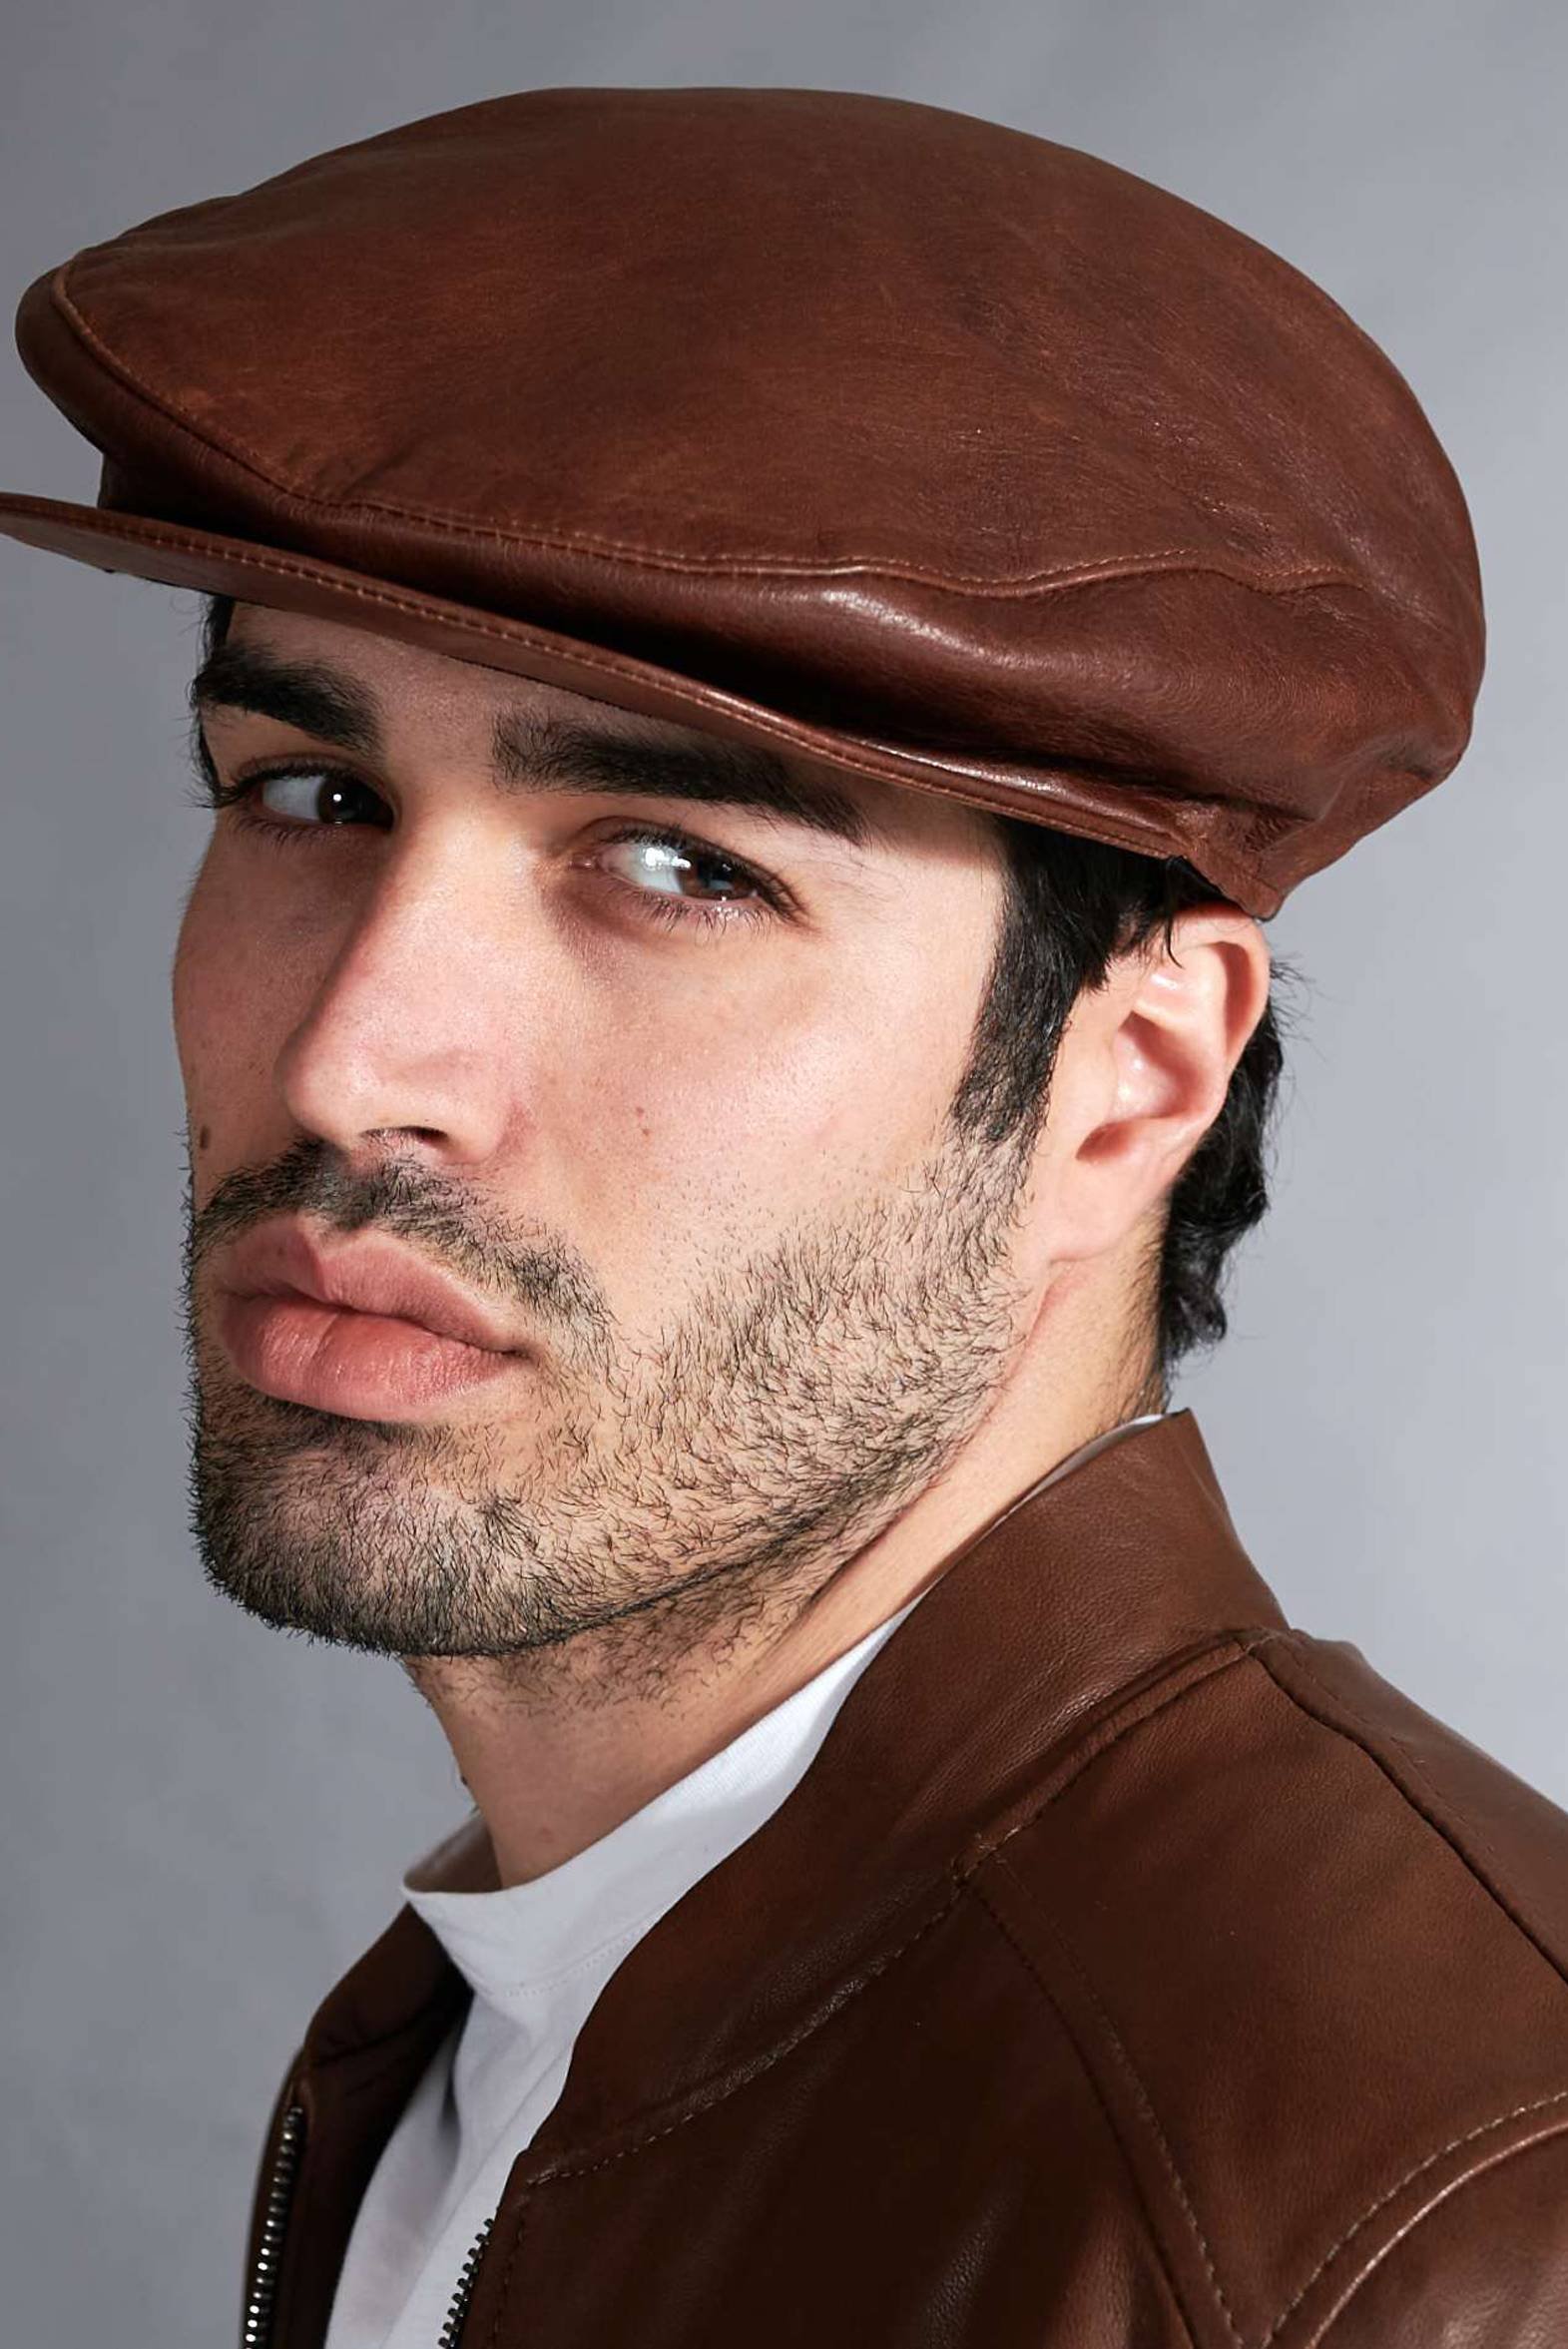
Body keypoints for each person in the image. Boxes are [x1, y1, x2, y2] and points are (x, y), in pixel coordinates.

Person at [3, 83, 1564, 2349]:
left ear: (1126, 1084)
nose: (352, 1064)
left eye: (678, 867)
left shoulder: (1441, 2227)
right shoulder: (521, 2025)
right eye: (313, 793)